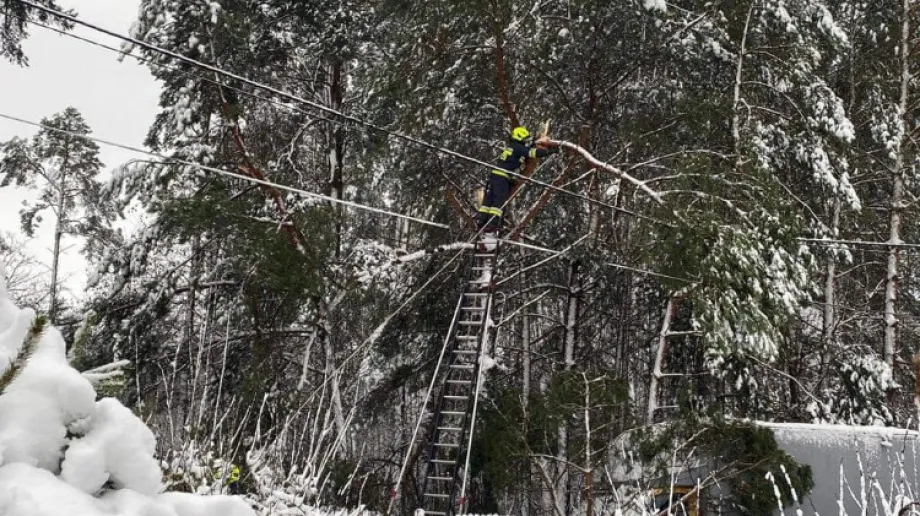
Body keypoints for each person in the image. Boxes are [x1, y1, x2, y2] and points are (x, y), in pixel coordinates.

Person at [476, 126, 559, 232]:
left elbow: (525, 151)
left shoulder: (512, 147)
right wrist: (549, 151)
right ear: (520, 137)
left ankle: (481, 221)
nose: (526, 142)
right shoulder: (518, 148)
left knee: (488, 201)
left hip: (494, 177)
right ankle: (492, 225)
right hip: (502, 178)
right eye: (525, 139)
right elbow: (533, 152)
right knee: (499, 202)